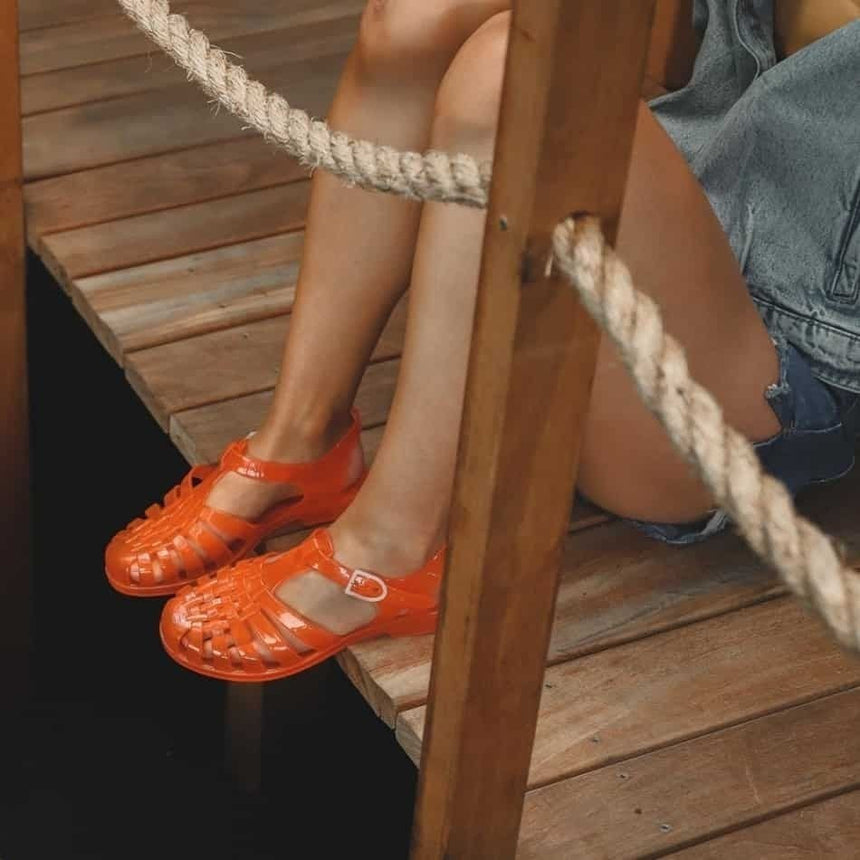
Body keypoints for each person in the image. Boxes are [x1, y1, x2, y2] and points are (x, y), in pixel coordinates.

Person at [105, 0, 860, 680]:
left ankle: (393, 545)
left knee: (516, 73)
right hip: (663, 215)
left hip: (742, 393)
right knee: (420, 16)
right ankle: (303, 443)